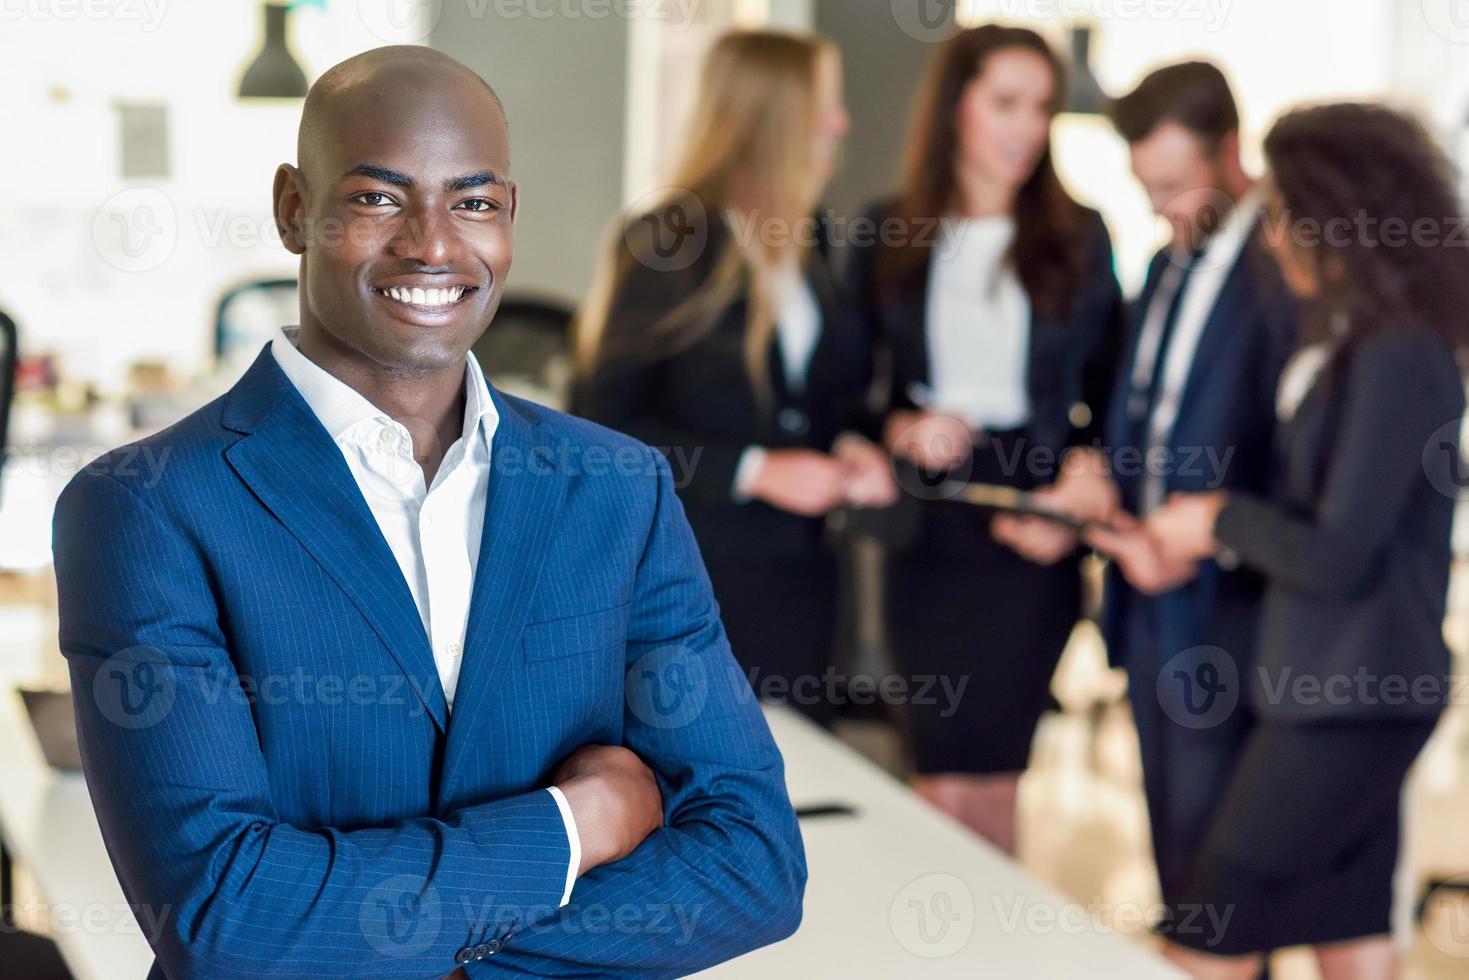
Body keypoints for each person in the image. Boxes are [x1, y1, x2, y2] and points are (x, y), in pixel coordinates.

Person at [52, 46, 805, 980]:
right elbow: (225, 915)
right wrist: (573, 827)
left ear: (508, 219)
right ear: (295, 207)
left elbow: (753, 863)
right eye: (378, 199)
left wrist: (425, 949)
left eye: (473, 202)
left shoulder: (617, 489)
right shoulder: (145, 508)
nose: (434, 244)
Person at [1144, 102, 1468, 979]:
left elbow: (1335, 553)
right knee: (1351, 930)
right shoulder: (1352, 340)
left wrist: (1215, 521)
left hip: (1352, 697)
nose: (1273, 235)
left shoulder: (1399, 355)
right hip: (1338, 687)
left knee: (1206, 923)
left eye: (1287, 213)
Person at [1022, 61, 1299, 908]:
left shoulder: (1284, 274)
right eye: (1146, 187)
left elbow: (1297, 461)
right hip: (1144, 607)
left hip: (1231, 610)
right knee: (1176, 856)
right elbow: (1142, 412)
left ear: (1230, 152)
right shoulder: (1164, 264)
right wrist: (1099, 473)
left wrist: (1202, 537)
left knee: (1223, 880)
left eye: (1175, 185)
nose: (1160, 208)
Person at [848, 24, 1123, 852]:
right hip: (930, 522)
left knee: (998, 772)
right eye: (1005, 103)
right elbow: (847, 392)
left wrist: (1084, 482)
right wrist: (897, 424)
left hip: (1033, 520)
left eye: (1040, 107)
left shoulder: (1080, 235)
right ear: (954, 107)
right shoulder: (887, 230)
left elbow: (1114, 395)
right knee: (934, 768)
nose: (1026, 128)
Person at [575, 31, 895, 726]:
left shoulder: (814, 238)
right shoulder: (668, 241)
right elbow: (602, 434)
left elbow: (825, 403)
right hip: (694, 579)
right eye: (825, 105)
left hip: (806, 579)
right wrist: (754, 471)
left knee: (788, 788)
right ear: (773, 115)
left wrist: (852, 445)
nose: (841, 122)